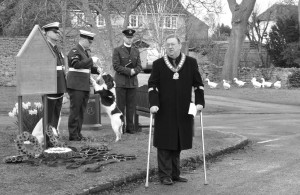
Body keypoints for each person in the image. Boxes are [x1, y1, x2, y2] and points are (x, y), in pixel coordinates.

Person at [148, 34, 205, 185]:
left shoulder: (191, 63)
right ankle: (164, 175)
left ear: (180, 46)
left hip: (184, 109)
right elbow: (152, 85)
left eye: (173, 44)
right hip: (164, 109)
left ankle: (175, 173)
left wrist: (200, 102)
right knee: (165, 142)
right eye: (168, 45)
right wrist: (153, 103)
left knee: (178, 141)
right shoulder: (158, 64)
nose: (170, 47)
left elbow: (198, 85)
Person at [66, 30, 102, 141]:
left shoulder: (85, 52)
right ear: (83, 39)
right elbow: (76, 65)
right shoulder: (75, 51)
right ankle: (72, 134)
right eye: (89, 42)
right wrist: (91, 60)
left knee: (81, 111)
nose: (90, 44)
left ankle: (78, 132)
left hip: (84, 85)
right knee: (75, 110)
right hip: (76, 85)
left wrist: (96, 69)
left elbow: (86, 67)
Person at [112, 29, 142, 134]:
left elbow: (139, 66)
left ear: (133, 38)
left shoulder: (136, 51)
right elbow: (116, 66)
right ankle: (121, 128)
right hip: (121, 82)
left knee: (131, 107)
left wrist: (135, 71)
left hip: (132, 83)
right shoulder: (117, 50)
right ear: (124, 38)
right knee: (120, 106)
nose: (129, 39)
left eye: (131, 38)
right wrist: (129, 71)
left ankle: (130, 128)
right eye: (128, 37)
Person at [42, 22, 67, 147]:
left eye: (57, 32)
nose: (57, 34)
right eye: (54, 32)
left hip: (59, 86)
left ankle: (53, 139)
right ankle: (48, 142)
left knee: (56, 115)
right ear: (46, 33)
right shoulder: (45, 47)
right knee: (49, 115)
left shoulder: (56, 48)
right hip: (50, 86)